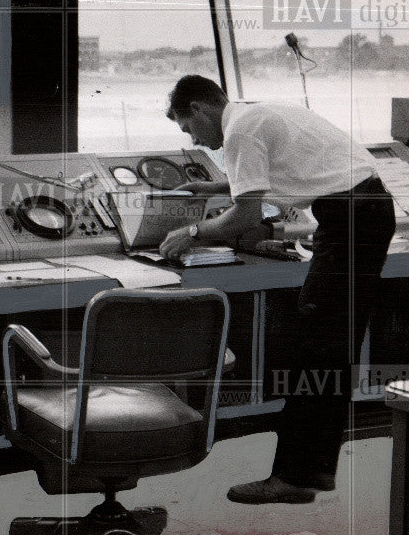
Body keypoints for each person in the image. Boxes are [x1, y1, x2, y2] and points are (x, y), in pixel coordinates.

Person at [160, 75, 396, 504]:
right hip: (366, 211)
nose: (198, 142)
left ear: (199, 108)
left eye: (188, 128)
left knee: (317, 349)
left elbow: (245, 216)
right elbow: (271, 180)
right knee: (330, 349)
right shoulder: (256, 114)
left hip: (349, 221)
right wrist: (214, 187)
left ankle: (294, 476)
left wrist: (191, 232)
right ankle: (313, 472)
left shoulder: (240, 130)